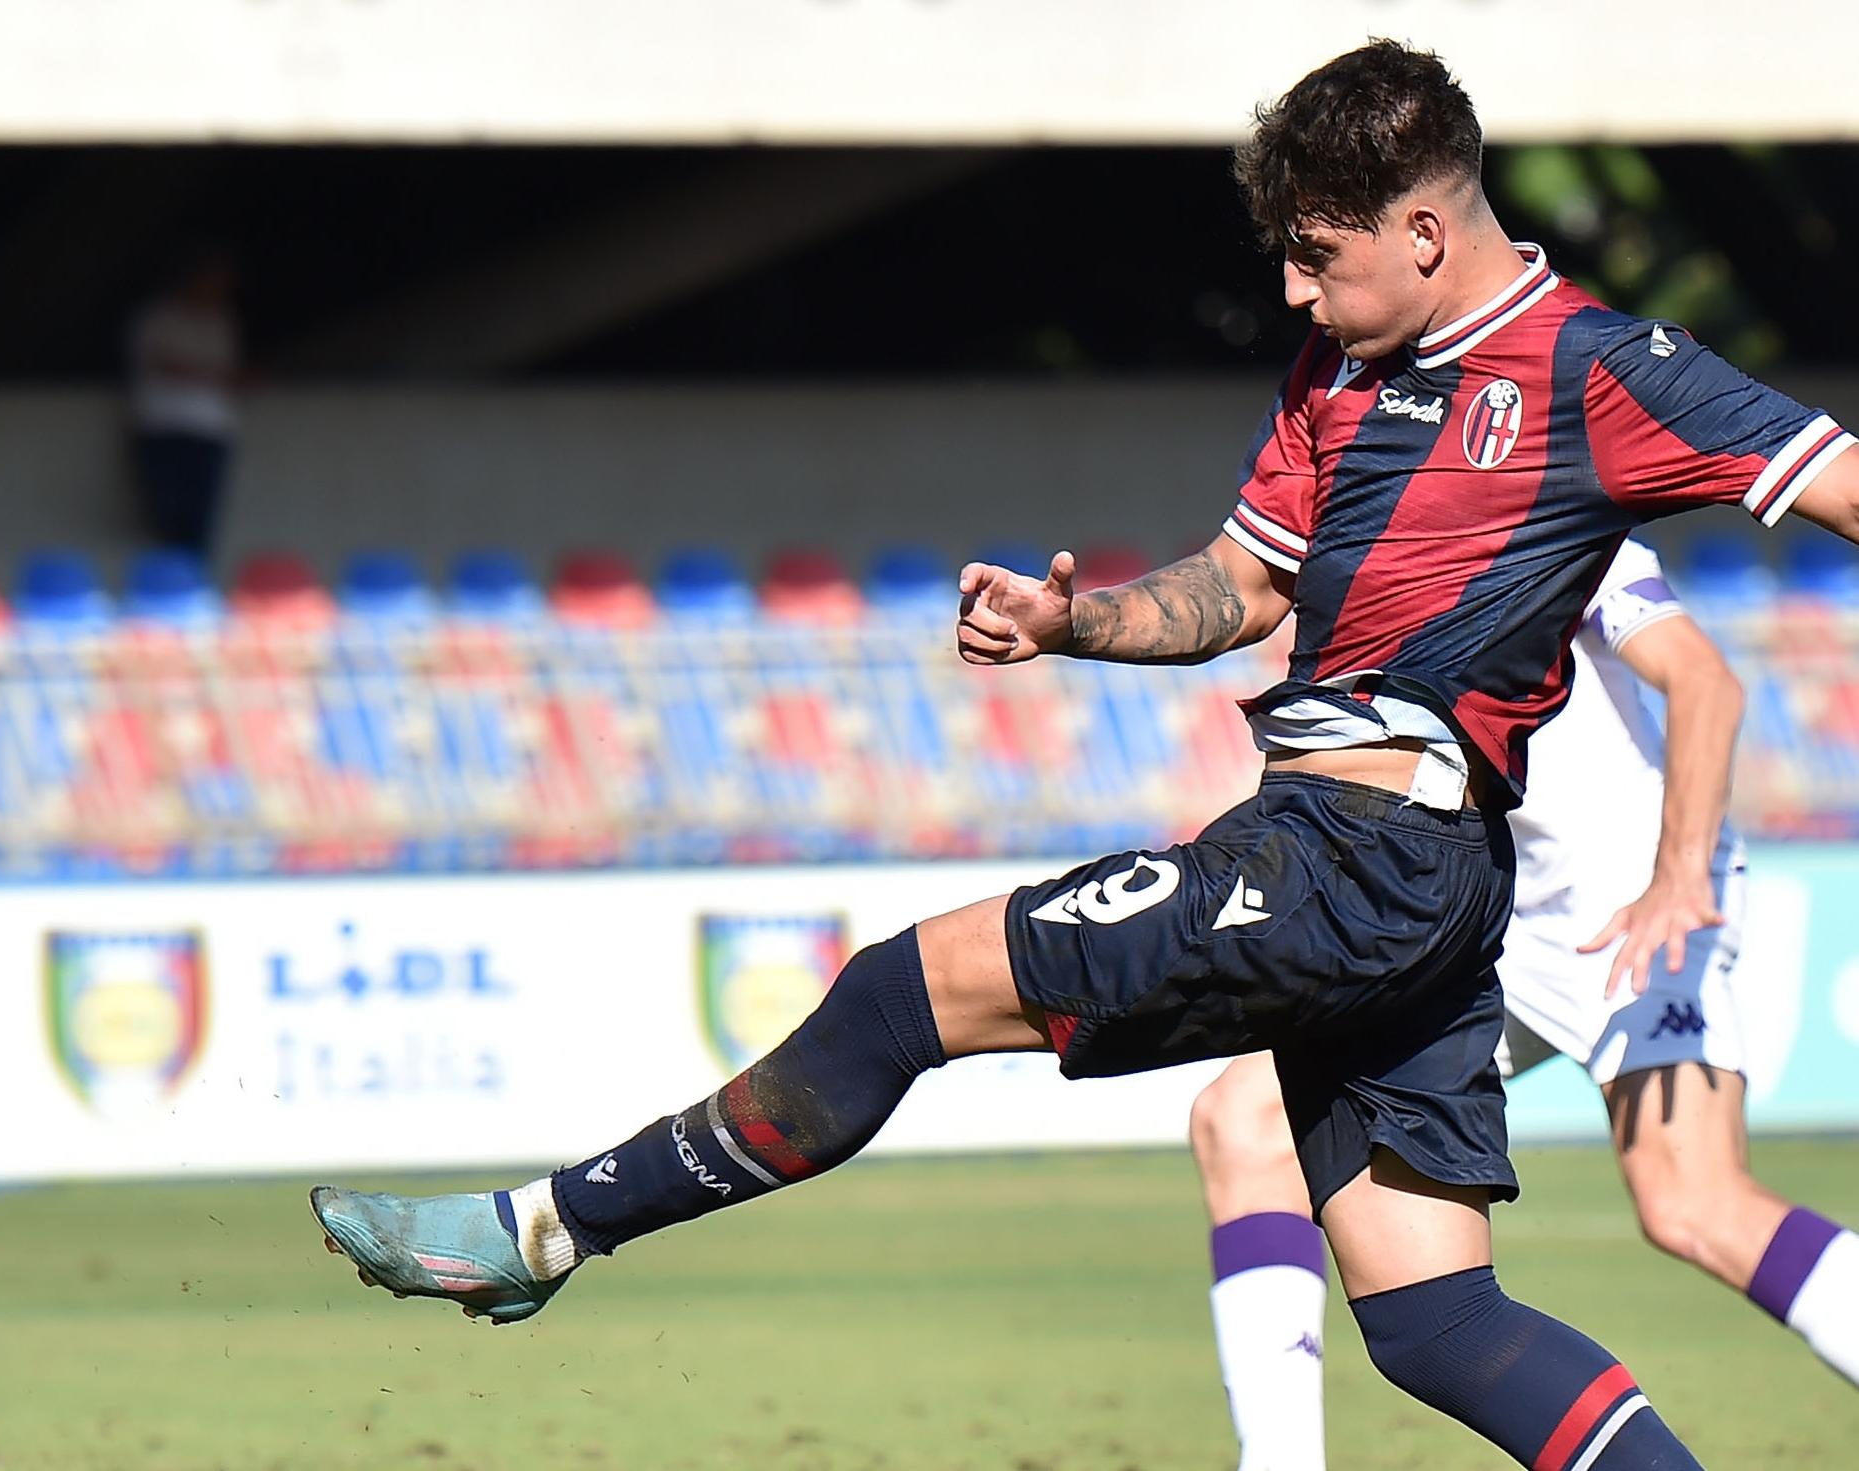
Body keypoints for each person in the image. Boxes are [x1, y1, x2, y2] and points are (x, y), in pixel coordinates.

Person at [307, 42, 1859, 1468]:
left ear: (1424, 234)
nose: (1299, 298)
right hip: (1417, 886)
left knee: (897, 989)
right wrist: (1076, 623)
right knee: (1434, 1320)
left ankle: (542, 1226)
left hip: (1354, 862)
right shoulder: (1333, 382)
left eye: (1317, 258)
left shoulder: (1603, 367)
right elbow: (1236, 587)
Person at [1189, 542, 1859, 1471]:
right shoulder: (1367, 535)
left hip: (1635, 900)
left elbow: (1708, 684)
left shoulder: (1567, 523)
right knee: (1244, 1121)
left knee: (1693, 1201)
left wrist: (1676, 872)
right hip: (1486, 912)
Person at [126, 248, 242, 556]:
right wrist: (207, 373)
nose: (215, 288)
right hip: (163, 426)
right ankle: (165, 584)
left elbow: (227, 372)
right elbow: (164, 363)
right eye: (209, 279)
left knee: (200, 519)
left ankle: (192, 586)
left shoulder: (220, 321)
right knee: (164, 514)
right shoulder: (158, 316)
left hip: (211, 430)